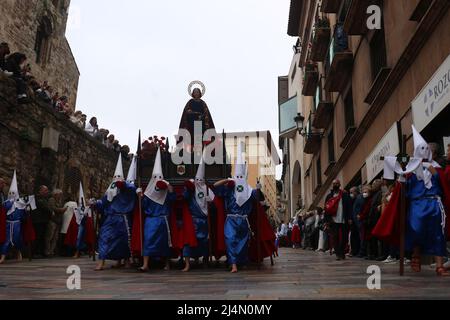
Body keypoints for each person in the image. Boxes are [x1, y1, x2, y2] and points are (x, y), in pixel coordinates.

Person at [213, 142, 262, 273]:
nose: (239, 179)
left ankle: (240, 262)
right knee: (230, 240)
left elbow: (259, 199)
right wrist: (226, 180)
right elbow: (215, 186)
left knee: (243, 243)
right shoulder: (229, 189)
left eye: (241, 177)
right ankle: (233, 264)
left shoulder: (249, 190)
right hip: (231, 220)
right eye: (237, 176)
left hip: (243, 220)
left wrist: (258, 189)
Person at [406, 127, 449, 276]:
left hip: (434, 203)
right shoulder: (411, 169)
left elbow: (441, 183)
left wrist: (432, 170)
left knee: (438, 234)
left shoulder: (436, 167)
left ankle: (439, 266)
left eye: (427, 149)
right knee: (417, 231)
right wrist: (403, 177)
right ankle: (416, 257)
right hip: (417, 205)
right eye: (422, 148)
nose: (425, 151)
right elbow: (406, 188)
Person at [94, 155, 136, 271]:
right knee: (104, 237)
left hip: (123, 219)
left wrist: (123, 184)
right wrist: (95, 204)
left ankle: (125, 260)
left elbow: (132, 189)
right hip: (110, 218)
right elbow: (103, 202)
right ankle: (101, 262)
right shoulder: (110, 190)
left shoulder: (128, 189)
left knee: (123, 241)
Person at [138, 148, 176, 272]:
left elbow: (173, 200)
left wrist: (169, 188)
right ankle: (145, 264)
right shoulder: (149, 193)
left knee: (164, 242)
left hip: (163, 220)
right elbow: (143, 206)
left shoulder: (166, 192)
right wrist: (140, 196)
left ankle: (167, 263)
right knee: (148, 241)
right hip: (151, 220)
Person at [181, 156, 215, 272]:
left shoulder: (207, 189)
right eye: (197, 180)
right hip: (193, 220)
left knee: (204, 242)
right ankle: (187, 264)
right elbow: (184, 198)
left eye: (201, 180)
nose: (199, 182)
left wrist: (210, 202)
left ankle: (205, 261)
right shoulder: (191, 188)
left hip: (204, 221)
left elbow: (214, 205)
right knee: (188, 241)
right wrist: (188, 188)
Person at [324, 179, 352, 260]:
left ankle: (341, 251)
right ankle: (338, 254)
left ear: (340, 184)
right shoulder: (329, 196)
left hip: (344, 219)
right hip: (333, 220)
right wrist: (326, 221)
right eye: (334, 183)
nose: (335, 185)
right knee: (335, 237)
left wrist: (350, 218)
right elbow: (326, 209)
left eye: (337, 183)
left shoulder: (345, 194)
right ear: (332, 185)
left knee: (344, 237)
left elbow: (349, 207)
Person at [44, 189, 66, 257]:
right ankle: (47, 251)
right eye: (60, 194)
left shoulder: (59, 201)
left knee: (55, 237)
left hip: (58, 221)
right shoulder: (52, 200)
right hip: (53, 221)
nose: (60, 196)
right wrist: (61, 210)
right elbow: (52, 208)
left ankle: (51, 251)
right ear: (56, 194)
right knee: (49, 237)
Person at [33, 185, 51, 258]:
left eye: (47, 190)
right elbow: (45, 207)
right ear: (40, 191)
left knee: (43, 237)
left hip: (44, 220)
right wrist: (50, 210)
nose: (47, 192)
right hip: (38, 220)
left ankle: (41, 252)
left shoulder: (45, 198)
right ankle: (35, 252)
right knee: (38, 236)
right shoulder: (37, 198)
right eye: (45, 190)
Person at [348, 186, 360, 256]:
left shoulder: (358, 198)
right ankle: (353, 251)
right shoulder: (352, 200)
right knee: (353, 236)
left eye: (352, 192)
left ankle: (356, 251)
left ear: (356, 192)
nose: (351, 194)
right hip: (353, 221)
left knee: (356, 237)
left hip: (357, 220)